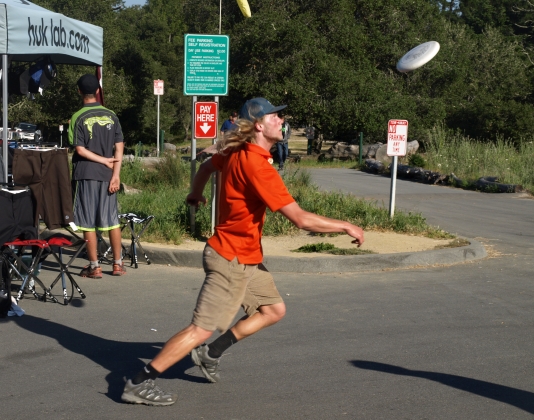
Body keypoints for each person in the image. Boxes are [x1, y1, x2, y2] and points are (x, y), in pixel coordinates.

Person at [120, 97, 364, 406]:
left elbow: (207, 166)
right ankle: (139, 382)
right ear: (260, 125)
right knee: (199, 329)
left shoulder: (237, 152)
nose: (282, 121)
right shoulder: (257, 166)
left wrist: (195, 193)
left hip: (246, 258)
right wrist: (346, 226)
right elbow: (300, 219)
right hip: (229, 259)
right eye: (276, 117)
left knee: (273, 310)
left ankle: (211, 353)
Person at [69, 74, 126, 278]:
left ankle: (95, 267)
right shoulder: (112, 115)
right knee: (112, 220)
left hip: (86, 174)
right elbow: (119, 146)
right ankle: (118, 264)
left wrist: (102, 160)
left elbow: (80, 150)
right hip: (108, 175)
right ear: (98, 91)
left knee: (87, 221)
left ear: (79, 92)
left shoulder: (77, 117)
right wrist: (116, 174)